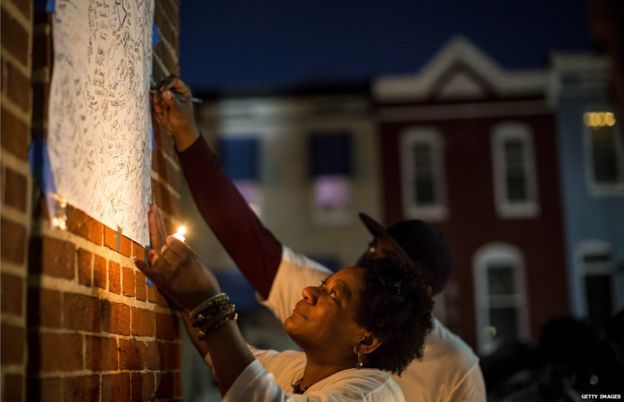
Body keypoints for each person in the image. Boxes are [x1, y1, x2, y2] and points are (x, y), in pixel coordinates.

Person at [151, 76, 486, 402]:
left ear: (416, 293)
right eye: (372, 248)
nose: (368, 259)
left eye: (387, 261)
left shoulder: (449, 369)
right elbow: (244, 239)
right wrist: (188, 136)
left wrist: (211, 301)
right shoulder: (321, 328)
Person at [136, 205, 433, 401]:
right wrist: (181, 284)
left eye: (333, 295)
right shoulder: (297, 367)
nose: (307, 292)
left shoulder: (372, 393)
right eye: (321, 285)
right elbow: (223, 354)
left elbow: (253, 392)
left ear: (367, 339)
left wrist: (209, 299)